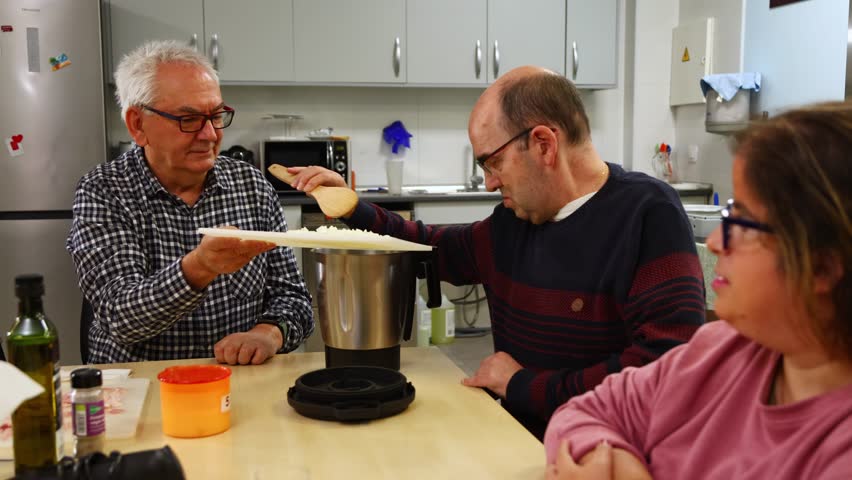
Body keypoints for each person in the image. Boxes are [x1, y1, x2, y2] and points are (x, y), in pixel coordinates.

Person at [289, 66, 705, 438]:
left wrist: (523, 385)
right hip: (515, 438)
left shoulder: (648, 214)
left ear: (543, 144)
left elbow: (665, 367)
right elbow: (430, 245)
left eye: (493, 162)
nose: (489, 183)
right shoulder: (514, 222)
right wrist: (352, 206)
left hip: (607, 455)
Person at [543, 102, 852, 479]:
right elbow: (583, 413)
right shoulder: (720, 350)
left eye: (746, 223)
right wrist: (610, 458)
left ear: (822, 267)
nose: (719, 242)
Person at [66, 40, 313, 365]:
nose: (210, 134)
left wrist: (268, 333)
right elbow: (120, 317)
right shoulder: (105, 191)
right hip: (142, 387)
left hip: (235, 381)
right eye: (189, 120)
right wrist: (199, 267)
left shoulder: (250, 185)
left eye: (216, 116)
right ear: (137, 125)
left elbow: (293, 297)